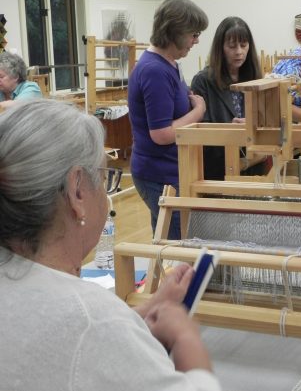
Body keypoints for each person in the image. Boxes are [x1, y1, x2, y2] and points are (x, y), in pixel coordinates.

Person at [0, 99, 221, 391]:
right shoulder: (93, 319)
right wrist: (187, 341)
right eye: (104, 178)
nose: (106, 193)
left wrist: (137, 318)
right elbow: (85, 329)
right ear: (77, 191)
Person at [128, 0, 208, 239]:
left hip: (168, 171)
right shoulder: (155, 70)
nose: (196, 41)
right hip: (159, 174)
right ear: (174, 31)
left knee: (170, 247)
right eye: (193, 34)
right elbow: (161, 134)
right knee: (175, 250)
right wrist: (198, 111)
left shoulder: (168, 64)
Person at [191, 17, 266, 180]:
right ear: (221, 48)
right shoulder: (203, 81)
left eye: (243, 45)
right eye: (232, 46)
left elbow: (267, 120)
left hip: (254, 169)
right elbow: (199, 134)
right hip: (219, 172)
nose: (239, 51)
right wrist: (229, 131)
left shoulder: (256, 78)